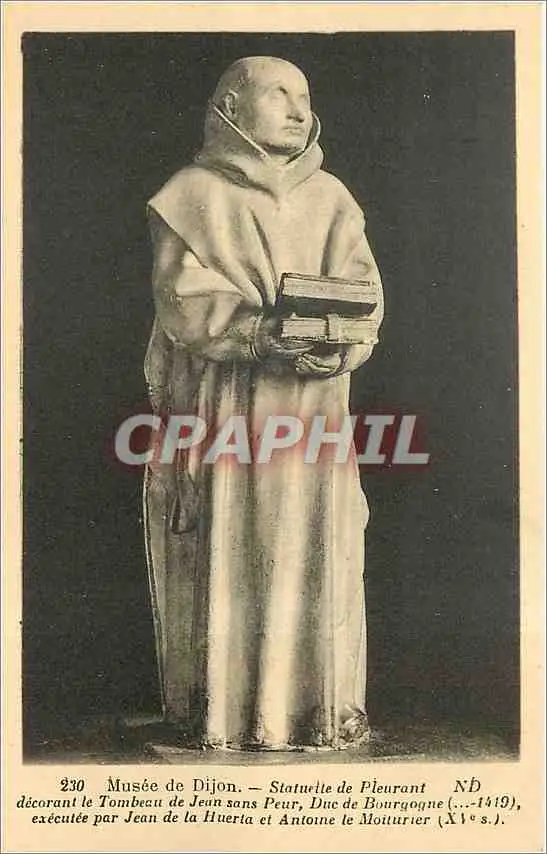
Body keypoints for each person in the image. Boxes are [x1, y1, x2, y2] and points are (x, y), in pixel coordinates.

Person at [143, 56, 384, 751]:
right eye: (279, 95)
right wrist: (258, 334)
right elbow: (183, 299)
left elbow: (365, 293)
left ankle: (315, 711)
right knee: (237, 547)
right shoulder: (189, 195)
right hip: (231, 407)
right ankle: (229, 714)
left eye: (304, 96)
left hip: (315, 408)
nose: (299, 109)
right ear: (230, 107)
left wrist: (343, 343)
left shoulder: (331, 197)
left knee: (317, 546)